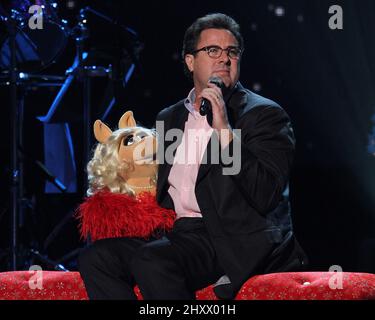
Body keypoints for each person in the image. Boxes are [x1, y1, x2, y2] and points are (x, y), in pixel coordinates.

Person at [78, 13, 308, 300]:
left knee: (154, 260)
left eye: (232, 52)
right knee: (96, 258)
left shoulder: (264, 116)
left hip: (229, 236)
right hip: (178, 233)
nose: (224, 59)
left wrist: (224, 131)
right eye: (213, 50)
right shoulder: (170, 117)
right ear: (190, 61)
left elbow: (265, 194)